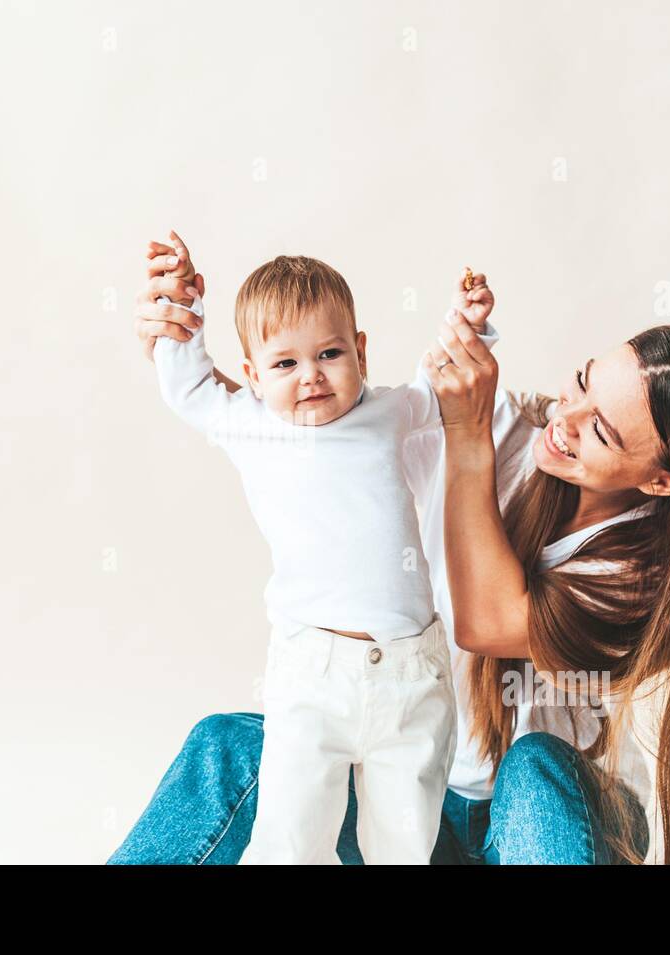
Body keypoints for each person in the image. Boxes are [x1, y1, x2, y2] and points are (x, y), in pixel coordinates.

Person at [111, 233, 670, 865]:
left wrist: (468, 437)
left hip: (554, 819)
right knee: (226, 747)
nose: (562, 421)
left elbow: (489, 623)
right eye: (581, 381)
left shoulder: (650, 571)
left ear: (661, 480)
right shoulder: (512, 423)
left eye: (597, 428)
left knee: (535, 765)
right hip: (422, 804)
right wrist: (198, 360)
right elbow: (326, 441)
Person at [148, 230, 496, 863]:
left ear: (360, 351)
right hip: (312, 675)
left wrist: (466, 324)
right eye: (285, 364)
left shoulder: (387, 410)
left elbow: (437, 387)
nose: (310, 377)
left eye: (329, 353)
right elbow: (188, 388)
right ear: (252, 375)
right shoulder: (249, 423)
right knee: (290, 838)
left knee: (404, 844)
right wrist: (184, 310)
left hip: (410, 675)